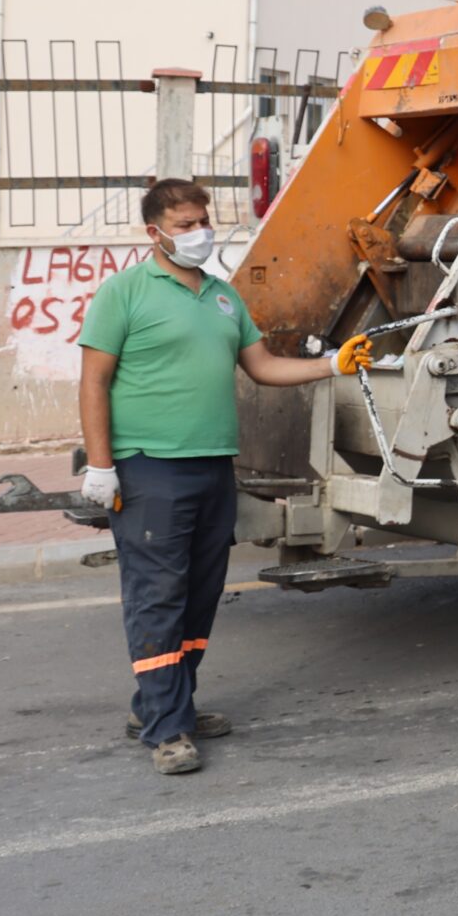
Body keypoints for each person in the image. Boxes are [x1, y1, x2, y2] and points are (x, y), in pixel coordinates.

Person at [79, 179, 367, 775]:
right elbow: (93, 382)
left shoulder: (223, 297)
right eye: (184, 225)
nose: (199, 233)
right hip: (149, 466)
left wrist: (331, 364)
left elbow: (262, 367)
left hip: (214, 465)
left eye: (202, 221)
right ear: (154, 232)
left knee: (201, 595)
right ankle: (168, 730)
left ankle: (163, 703)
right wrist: (101, 465)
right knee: (158, 596)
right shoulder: (123, 293)